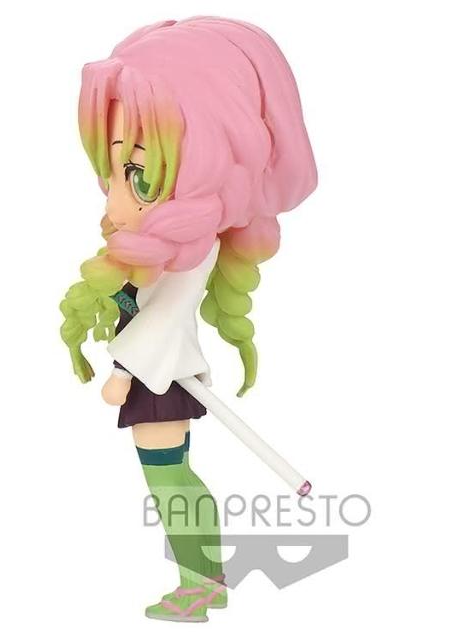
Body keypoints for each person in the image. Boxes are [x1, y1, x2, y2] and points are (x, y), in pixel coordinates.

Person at [60, 16, 317, 622]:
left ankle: (199, 585)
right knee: (174, 477)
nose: (118, 195)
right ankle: (206, 580)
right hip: (160, 375)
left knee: (170, 482)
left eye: (139, 174)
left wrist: (123, 370)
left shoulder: (189, 248)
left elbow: (166, 318)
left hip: (157, 377)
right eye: (116, 170)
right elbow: (143, 304)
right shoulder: (166, 243)